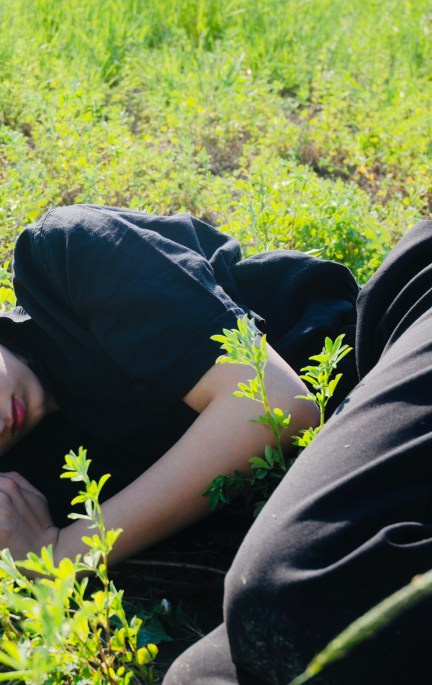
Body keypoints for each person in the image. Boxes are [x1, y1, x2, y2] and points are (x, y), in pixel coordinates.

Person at [0, 204, 361, 564]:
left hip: (381, 355)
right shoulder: (21, 482)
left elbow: (273, 404)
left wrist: (66, 552)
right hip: (344, 481)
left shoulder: (65, 259)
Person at [162, 220, 432, 684]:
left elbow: (280, 404)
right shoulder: (32, 479)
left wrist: (70, 547)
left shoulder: (61, 252)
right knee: (199, 676)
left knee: (293, 598)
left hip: (408, 322)